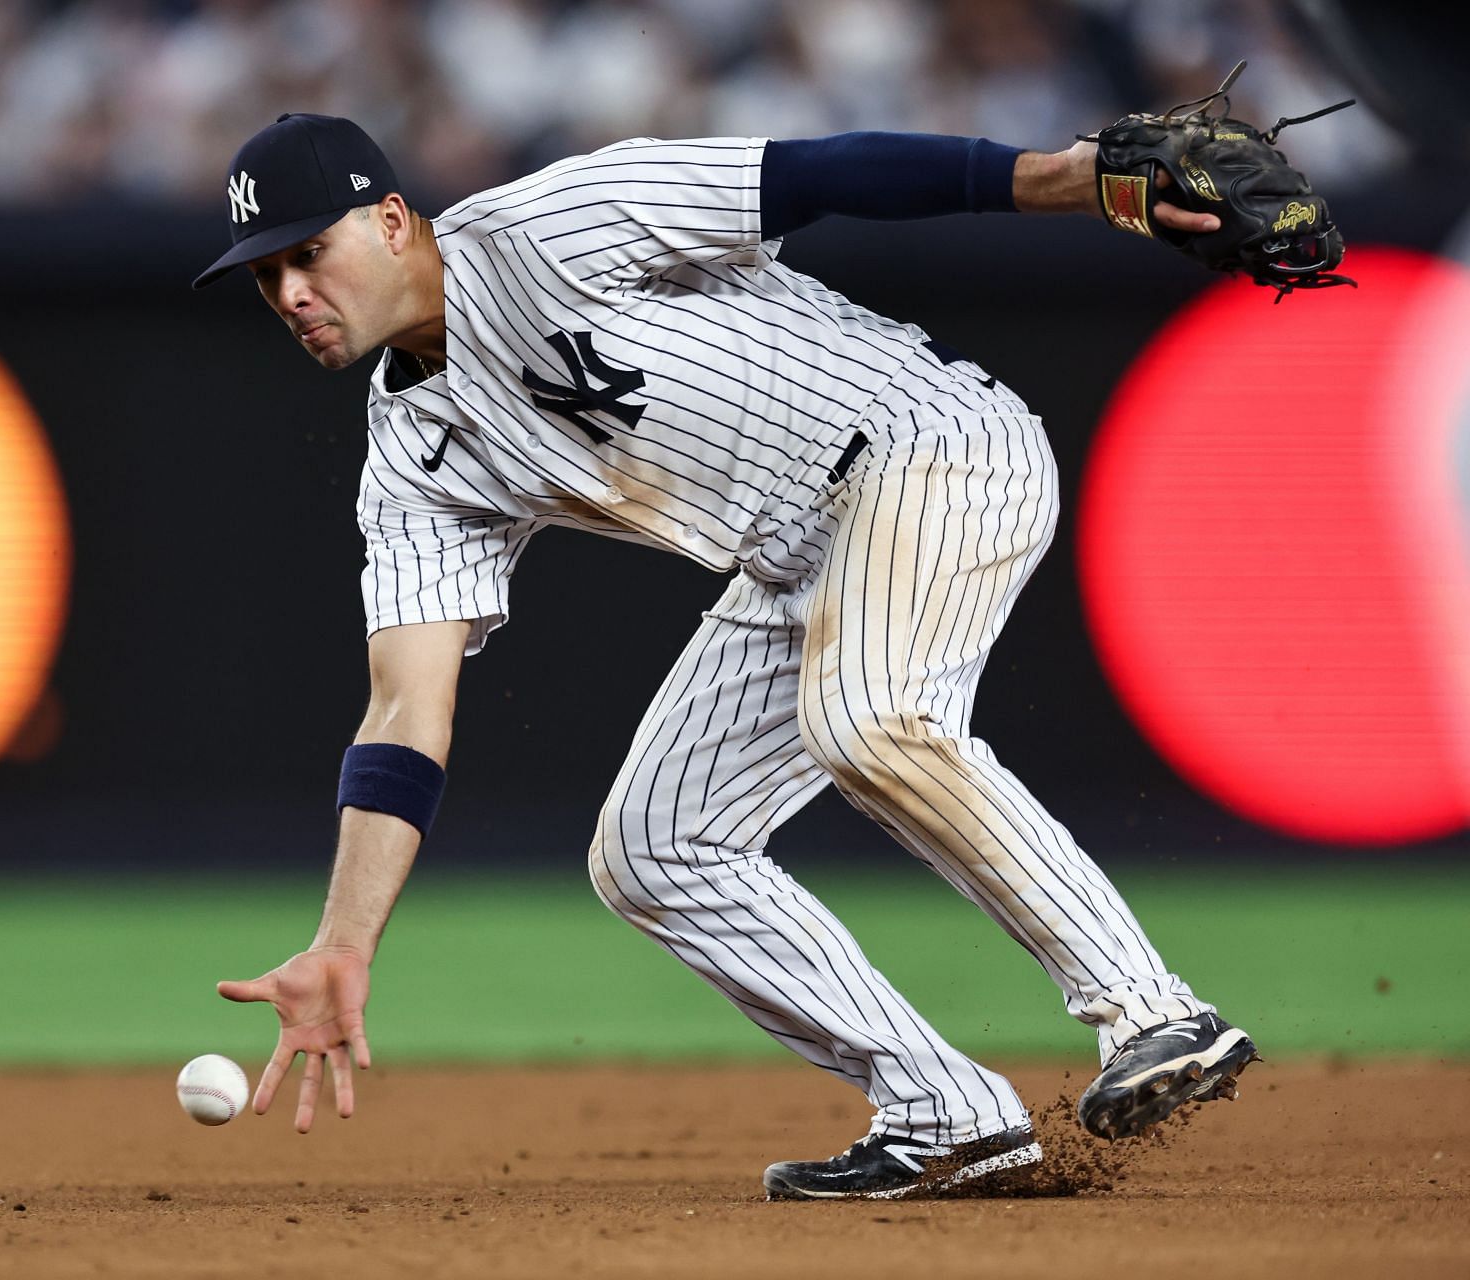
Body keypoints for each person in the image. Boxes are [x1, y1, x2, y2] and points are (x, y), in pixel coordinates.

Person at [200, 113, 1258, 1200]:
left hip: (926, 441)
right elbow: (402, 712)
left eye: (307, 253)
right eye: (265, 273)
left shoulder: (549, 229)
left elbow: (816, 173)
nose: (289, 294)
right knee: (654, 848)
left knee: (866, 717)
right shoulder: (415, 463)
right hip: (796, 557)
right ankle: (948, 1112)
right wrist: (343, 939)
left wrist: (1076, 180)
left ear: (387, 220)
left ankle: (1153, 1010)